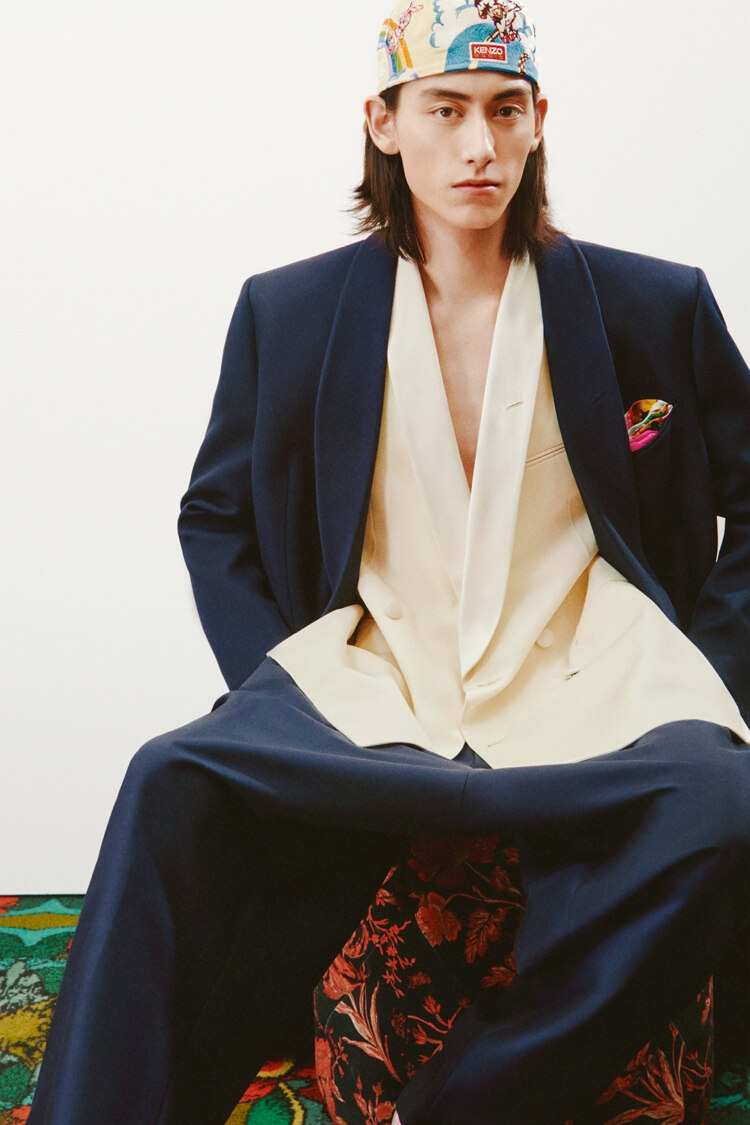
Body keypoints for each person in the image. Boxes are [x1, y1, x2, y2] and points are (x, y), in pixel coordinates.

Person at [27, 2, 750, 1123]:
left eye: (505, 111)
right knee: (167, 777)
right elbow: (213, 514)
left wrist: (711, 669)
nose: (479, 146)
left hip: (594, 667)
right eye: (446, 111)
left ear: (539, 120)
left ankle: (463, 1101)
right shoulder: (290, 310)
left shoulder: (655, 302)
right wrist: (276, 679)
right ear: (383, 121)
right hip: (377, 671)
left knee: (724, 799)